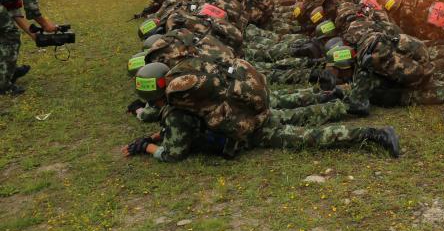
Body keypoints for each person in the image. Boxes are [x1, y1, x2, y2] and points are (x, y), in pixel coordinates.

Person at [122, 62, 400, 161]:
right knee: (300, 115)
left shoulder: (176, 111)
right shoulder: (188, 89)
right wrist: (157, 135)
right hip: (254, 110)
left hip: (250, 131)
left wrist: (146, 147)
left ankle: (375, 134)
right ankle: (342, 102)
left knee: (309, 136)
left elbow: (173, 154)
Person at [0, 0, 63, 95]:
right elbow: (31, 6)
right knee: (10, 36)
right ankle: (3, 84)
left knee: (5, 34)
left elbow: (14, 11)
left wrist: (33, 35)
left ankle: (7, 69)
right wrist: (46, 25)